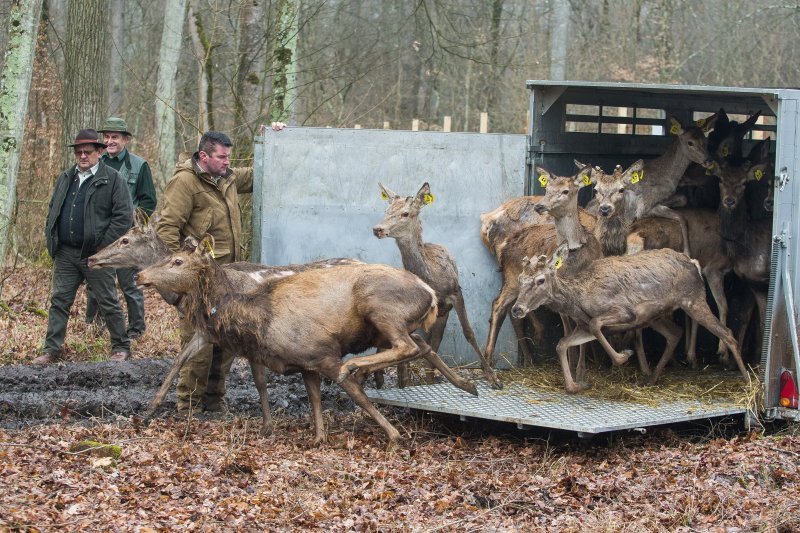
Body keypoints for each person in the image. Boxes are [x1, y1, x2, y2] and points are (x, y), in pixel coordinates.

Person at [156, 124, 284, 415]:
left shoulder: (225, 177)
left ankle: (215, 403)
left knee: (226, 344)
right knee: (198, 347)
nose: (229, 162)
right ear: (204, 156)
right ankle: (188, 409)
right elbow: (166, 231)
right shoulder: (185, 183)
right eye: (223, 157)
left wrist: (275, 138)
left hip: (229, 281)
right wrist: (181, 277)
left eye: (230, 158)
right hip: (199, 284)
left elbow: (261, 171)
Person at [34, 129, 134, 364]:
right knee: (59, 301)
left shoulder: (112, 180)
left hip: (97, 255)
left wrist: (102, 246)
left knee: (108, 301)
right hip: (66, 253)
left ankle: (121, 347)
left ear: (99, 152)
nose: (82, 156)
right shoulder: (66, 177)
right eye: (78, 152)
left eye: (87, 152)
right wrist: (53, 237)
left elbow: (123, 218)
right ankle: (51, 350)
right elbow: (53, 209)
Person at [84, 117, 158, 340]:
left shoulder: (139, 165)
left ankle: (136, 328)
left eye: (114, 137)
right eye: (106, 137)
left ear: (125, 139)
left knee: (130, 284)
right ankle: (93, 325)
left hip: (127, 238)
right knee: (96, 281)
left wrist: (134, 225)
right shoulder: (96, 163)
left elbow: (149, 201)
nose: (109, 141)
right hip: (100, 235)